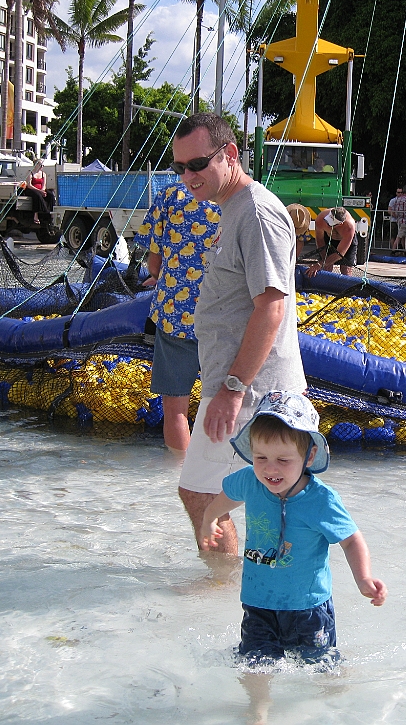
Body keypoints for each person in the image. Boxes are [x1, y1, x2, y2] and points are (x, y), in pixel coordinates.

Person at [173, 111, 307, 558]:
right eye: (179, 167)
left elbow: (271, 307)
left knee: (203, 494)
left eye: (197, 164)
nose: (188, 177)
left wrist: (233, 389)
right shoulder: (234, 209)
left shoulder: (256, 213)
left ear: (229, 154)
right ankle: (237, 583)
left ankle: (222, 585)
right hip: (239, 386)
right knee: (236, 499)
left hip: (250, 392)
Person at [199, 391, 386, 667]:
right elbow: (226, 497)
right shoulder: (250, 481)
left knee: (321, 668)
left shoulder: (321, 500)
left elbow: (350, 540)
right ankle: (255, 698)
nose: (270, 469)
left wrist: (363, 578)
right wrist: (209, 518)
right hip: (258, 603)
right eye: (261, 457)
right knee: (255, 667)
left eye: (283, 460)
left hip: (308, 608)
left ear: (309, 456)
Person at [133, 181, 222, 453]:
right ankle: (220, 471)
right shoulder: (233, 200)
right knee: (224, 406)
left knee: (175, 410)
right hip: (222, 317)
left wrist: (167, 275)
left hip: (176, 317)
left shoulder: (170, 196)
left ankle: (178, 471)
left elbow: (154, 265)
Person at [307, 207, 358, 277]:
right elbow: (320, 240)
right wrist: (324, 260)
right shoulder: (321, 218)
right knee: (326, 269)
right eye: (327, 220)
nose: (326, 223)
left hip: (345, 242)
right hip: (329, 240)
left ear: (340, 224)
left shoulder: (349, 228)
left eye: (329, 224)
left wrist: (320, 264)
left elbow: (340, 253)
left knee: (346, 270)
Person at [25, 159, 52, 226]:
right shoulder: (30, 173)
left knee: (51, 194)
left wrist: (43, 190)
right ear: (36, 165)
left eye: (42, 165)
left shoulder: (43, 174)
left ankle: (51, 212)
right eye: (40, 165)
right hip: (31, 189)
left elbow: (44, 184)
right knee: (37, 195)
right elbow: (29, 185)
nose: (42, 166)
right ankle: (36, 214)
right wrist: (39, 191)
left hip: (40, 189)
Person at [388, 184, 406, 254]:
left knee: (403, 236)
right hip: (404, 220)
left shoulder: (398, 199)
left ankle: (405, 250)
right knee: (399, 236)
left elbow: (395, 210)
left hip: (398, 219)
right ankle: (393, 250)